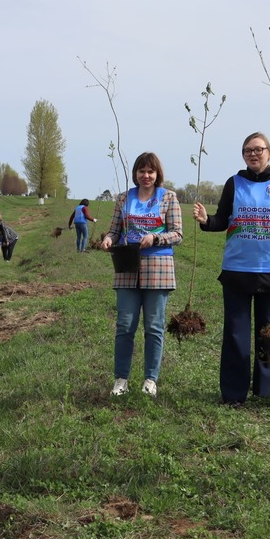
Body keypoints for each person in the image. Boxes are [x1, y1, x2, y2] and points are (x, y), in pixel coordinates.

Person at [193, 132, 270, 406]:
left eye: (259, 149)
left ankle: (265, 391)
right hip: (237, 269)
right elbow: (222, 220)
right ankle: (234, 394)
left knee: (269, 333)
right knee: (235, 333)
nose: (253, 154)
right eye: (248, 150)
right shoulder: (234, 183)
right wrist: (205, 220)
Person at [100, 152, 183, 397]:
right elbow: (114, 230)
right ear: (135, 174)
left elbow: (177, 233)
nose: (146, 176)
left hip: (159, 268)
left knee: (154, 327)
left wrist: (156, 237)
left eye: (151, 172)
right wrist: (107, 238)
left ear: (157, 174)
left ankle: (150, 380)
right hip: (127, 267)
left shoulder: (169, 198)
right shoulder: (124, 198)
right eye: (141, 171)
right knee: (124, 325)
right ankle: (121, 379)